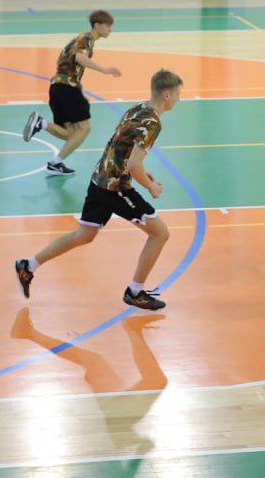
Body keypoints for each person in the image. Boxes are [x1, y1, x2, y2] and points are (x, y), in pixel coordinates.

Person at [15, 69, 182, 311]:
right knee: (160, 233)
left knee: (84, 234)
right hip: (114, 187)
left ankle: (28, 266)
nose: (179, 98)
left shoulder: (138, 108)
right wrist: (150, 186)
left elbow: (120, 147)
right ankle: (135, 292)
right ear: (166, 95)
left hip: (99, 178)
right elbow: (133, 164)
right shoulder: (153, 122)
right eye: (177, 94)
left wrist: (140, 173)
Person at [21, 10, 121, 176]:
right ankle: (55, 163)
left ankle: (41, 123)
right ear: (97, 26)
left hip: (56, 87)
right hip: (67, 87)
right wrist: (105, 70)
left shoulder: (82, 39)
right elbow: (79, 58)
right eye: (108, 26)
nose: (110, 30)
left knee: (72, 134)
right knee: (85, 128)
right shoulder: (85, 39)